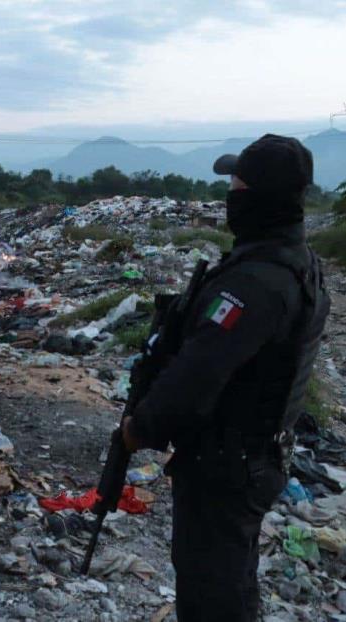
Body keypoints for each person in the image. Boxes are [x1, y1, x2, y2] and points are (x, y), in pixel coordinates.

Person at [121, 134, 331, 621]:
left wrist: (139, 428)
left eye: (235, 186)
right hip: (254, 455)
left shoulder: (255, 283)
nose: (228, 196)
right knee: (232, 582)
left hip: (227, 465)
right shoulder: (296, 265)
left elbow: (197, 374)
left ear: (256, 198)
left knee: (212, 595)